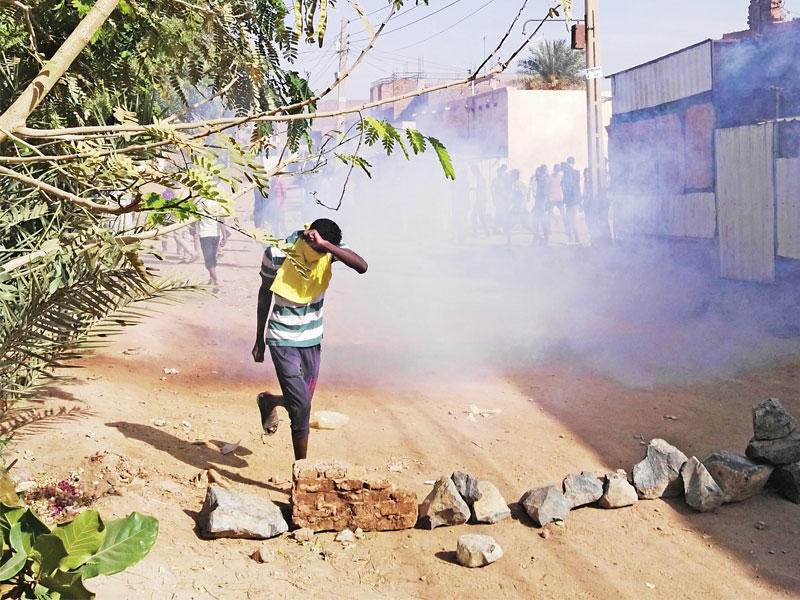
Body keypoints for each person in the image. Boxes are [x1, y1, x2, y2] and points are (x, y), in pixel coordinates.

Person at [251, 218, 368, 460]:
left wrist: (327, 246)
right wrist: (259, 338)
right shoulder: (276, 254)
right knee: (302, 408)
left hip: (312, 339)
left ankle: (270, 401)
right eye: (320, 248)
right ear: (307, 236)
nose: (323, 254)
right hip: (282, 338)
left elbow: (362, 266)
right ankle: (301, 469)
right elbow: (264, 294)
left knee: (301, 401)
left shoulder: (328, 250)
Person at [196, 199, 229, 288]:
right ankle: (212, 278)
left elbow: (195, 220)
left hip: (205, 234)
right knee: (212, 258)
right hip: (216, 235)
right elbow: (222, 221)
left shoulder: (200, 203)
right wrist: (224, 236)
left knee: (208, 259)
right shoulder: (218, 203)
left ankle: (215, 279)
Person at [561, 156, 582, 245]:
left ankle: (575, 240)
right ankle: (574, 239)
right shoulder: (572, 173)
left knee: (571, 220)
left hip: (573, 200)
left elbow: (570, 185)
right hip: (572, 200)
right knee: (570, 220)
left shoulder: (572, 173)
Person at [530, 164, 551, 244]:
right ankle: (537, 239)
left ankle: (545, 240)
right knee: (536, 223)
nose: (536, 175)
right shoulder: (539, 182)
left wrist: (542, 207)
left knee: (542, 223)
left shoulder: (544, 182)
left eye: (538, 173)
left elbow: (545, 196)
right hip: (539, 206)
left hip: (542, 206)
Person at [547, 163, 565, 234]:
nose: (558, 170)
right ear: (554, 169)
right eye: (557, 169)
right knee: (550, 213)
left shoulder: (561, 177)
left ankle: (567, 228)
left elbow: (563, 187)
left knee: (563, 214)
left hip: (559, 198)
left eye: (559, 169)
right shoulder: (550, 176)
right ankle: (549, 229)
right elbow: (547, 186)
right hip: (551, 197)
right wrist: (547, 197)